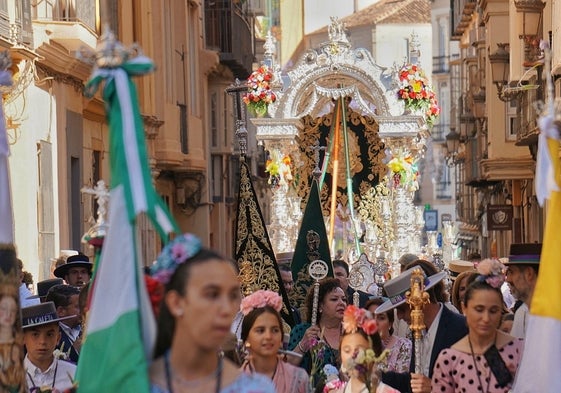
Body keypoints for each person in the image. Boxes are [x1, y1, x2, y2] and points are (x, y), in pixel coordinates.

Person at [149, 233, 276, 393]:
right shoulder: (134, 385)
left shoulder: (256, 389)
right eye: (212, 294)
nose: (226, 308)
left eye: (232, 296)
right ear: (176, 302)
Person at [432, 258, 524, 392]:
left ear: (501, 310)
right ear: (464, 308)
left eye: (493, 311)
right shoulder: (450, 359)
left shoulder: (519, 351)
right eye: (479, 310)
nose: (486, 319)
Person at [377, 262, 468, 393]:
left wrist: (436, 388)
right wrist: (376, 375)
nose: (400, 316)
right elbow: (415, 381)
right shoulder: (418, 331)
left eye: (402, 309)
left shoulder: (461, 328)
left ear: (421, 300)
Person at [240, 289, 310, 393]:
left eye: (275, 330)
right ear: (246, 339)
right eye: (260, 330)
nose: (268, 336)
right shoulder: (233, 381)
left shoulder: (299, 378)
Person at [324, 305, 399, 393]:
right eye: (347, 351)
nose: (352, 356)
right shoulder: (332, 389)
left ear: (374, 353)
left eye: (359, 350)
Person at [288, 278, 346, 385]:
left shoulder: (352, 333)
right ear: (320, 306)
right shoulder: (302, 331)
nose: (341, 303)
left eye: (344, 299)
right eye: (334, 299)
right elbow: (286, 367)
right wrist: (303, 345)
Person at [22, 302, 77, 392]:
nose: (43, 341)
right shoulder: (10, 379)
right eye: (35, 334)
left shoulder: (73, 373)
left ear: (58, 338)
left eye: (49, 334)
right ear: (22, 338)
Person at [504, 243, 541, 338]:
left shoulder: (553, 313)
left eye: (512, 272)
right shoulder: (521, 313)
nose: (508, 279)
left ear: (529, 273)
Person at [366, 298, 411, 373]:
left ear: (390, 323)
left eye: (381, 318)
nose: (375, 322)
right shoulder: (360, 346)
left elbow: (402, 381)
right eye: (371, 317)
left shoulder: (403, 346)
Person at [45, 284, 82, 364]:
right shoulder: (49, 335)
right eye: (78, 307)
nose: (84, 309)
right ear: (61, 311)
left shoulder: (83, 328)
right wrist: (75, 350)